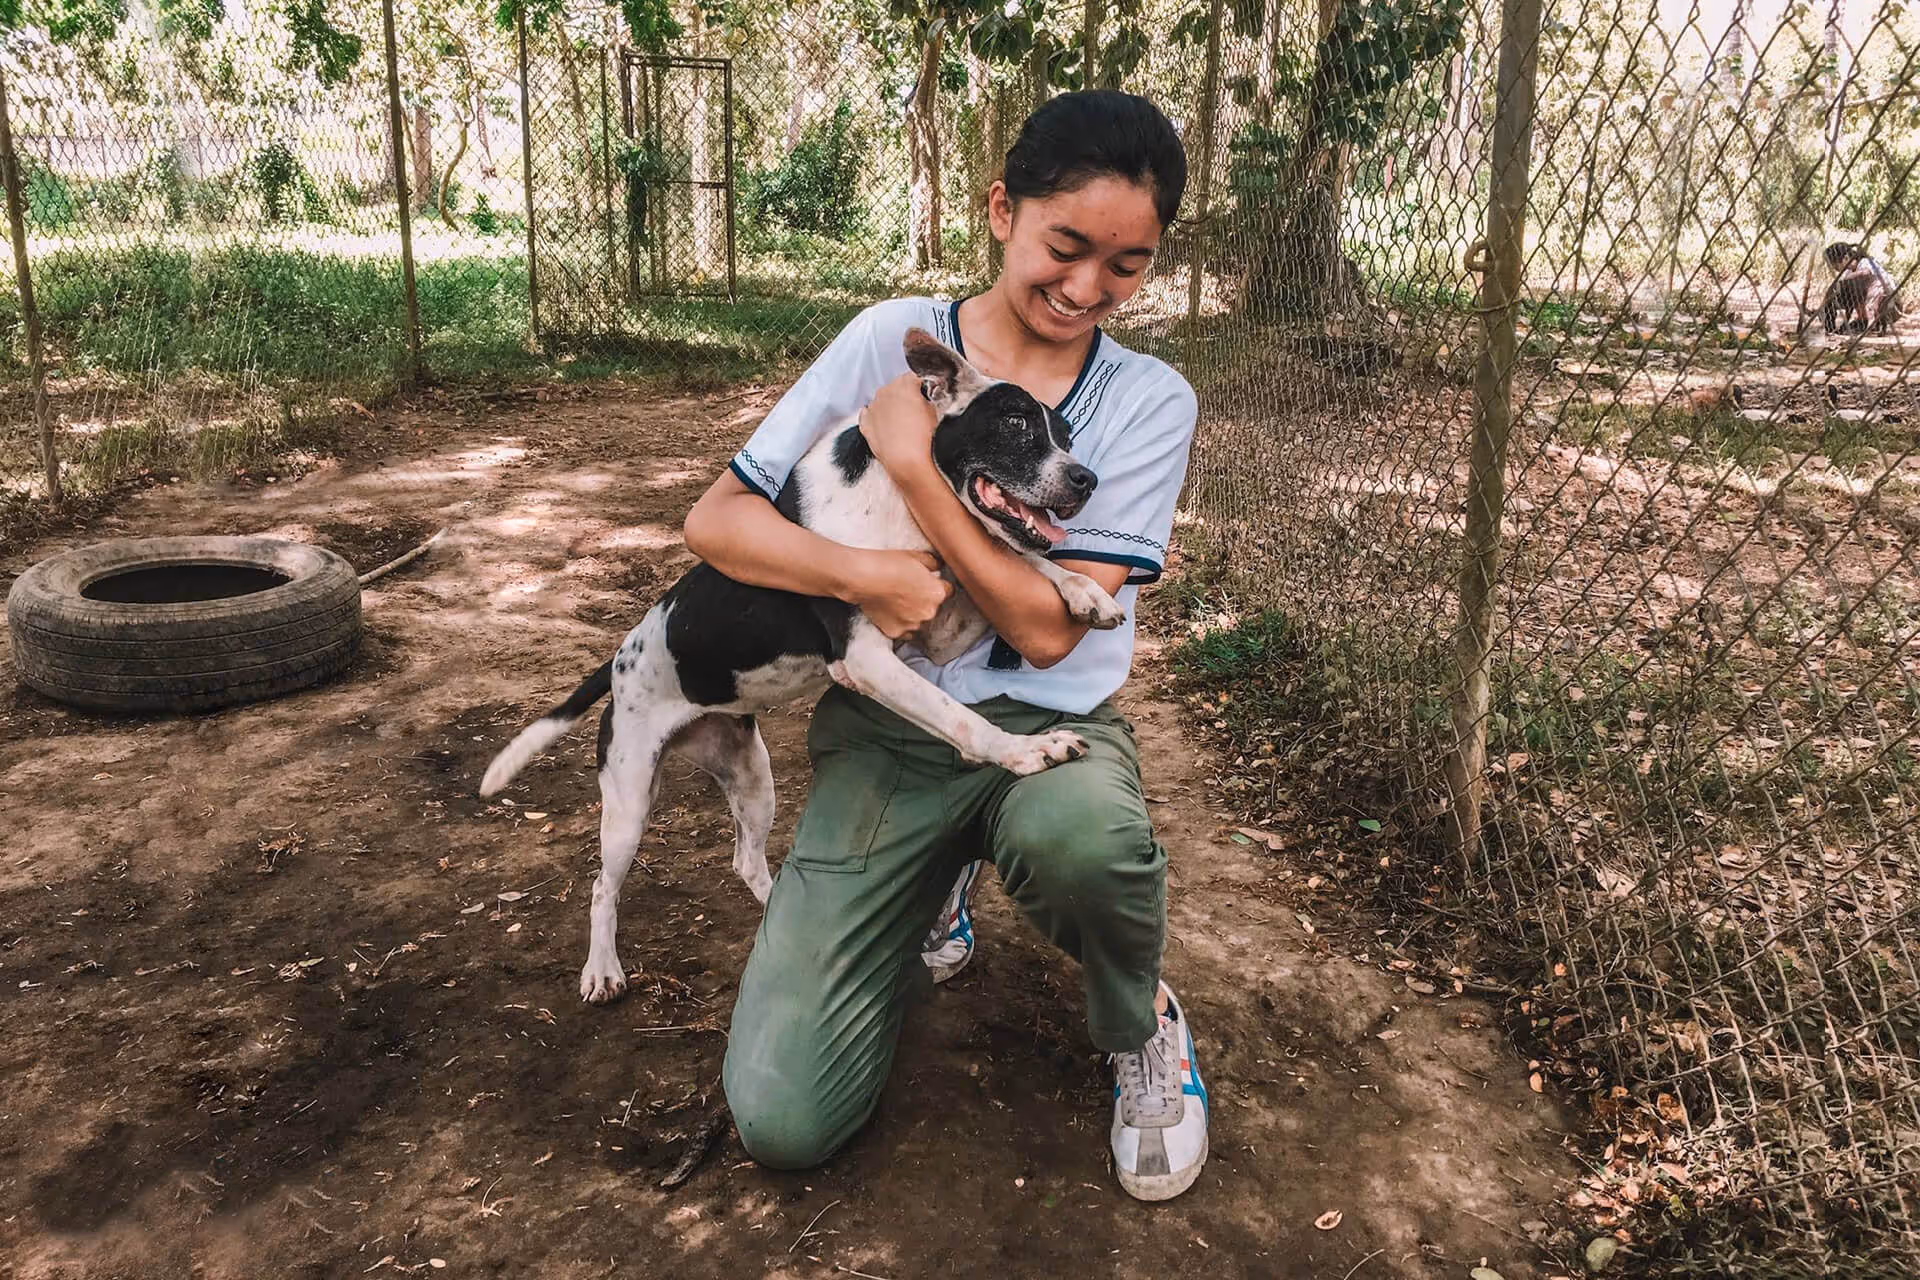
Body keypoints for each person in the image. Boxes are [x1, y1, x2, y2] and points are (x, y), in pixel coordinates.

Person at [682, 90, 1208, 1201]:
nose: (1086, 288)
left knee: (1089, 848)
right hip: (886, 722)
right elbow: (717, 522)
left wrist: (914, 465)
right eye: (1065, 246)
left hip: (1048, 718)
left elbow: (1040, 629)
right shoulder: (890, 338)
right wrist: (865, 575)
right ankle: (937, 875)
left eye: (1127, 264)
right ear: (1001, 210)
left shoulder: (1149, 399)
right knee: (781, 1116)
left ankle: (1141, 1014)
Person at [1822, 241, 1899, 333]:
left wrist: (1843, 279)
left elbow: (1866, 272)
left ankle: (1869, 320)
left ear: (1846, 258)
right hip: (1872, 301)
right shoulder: (1849, 271)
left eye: (1835, 264)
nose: (1834, 268)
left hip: (1890, 303)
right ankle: (1858, 321)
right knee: (1840, 288)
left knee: (1851, 283)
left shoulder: (1864, 262)